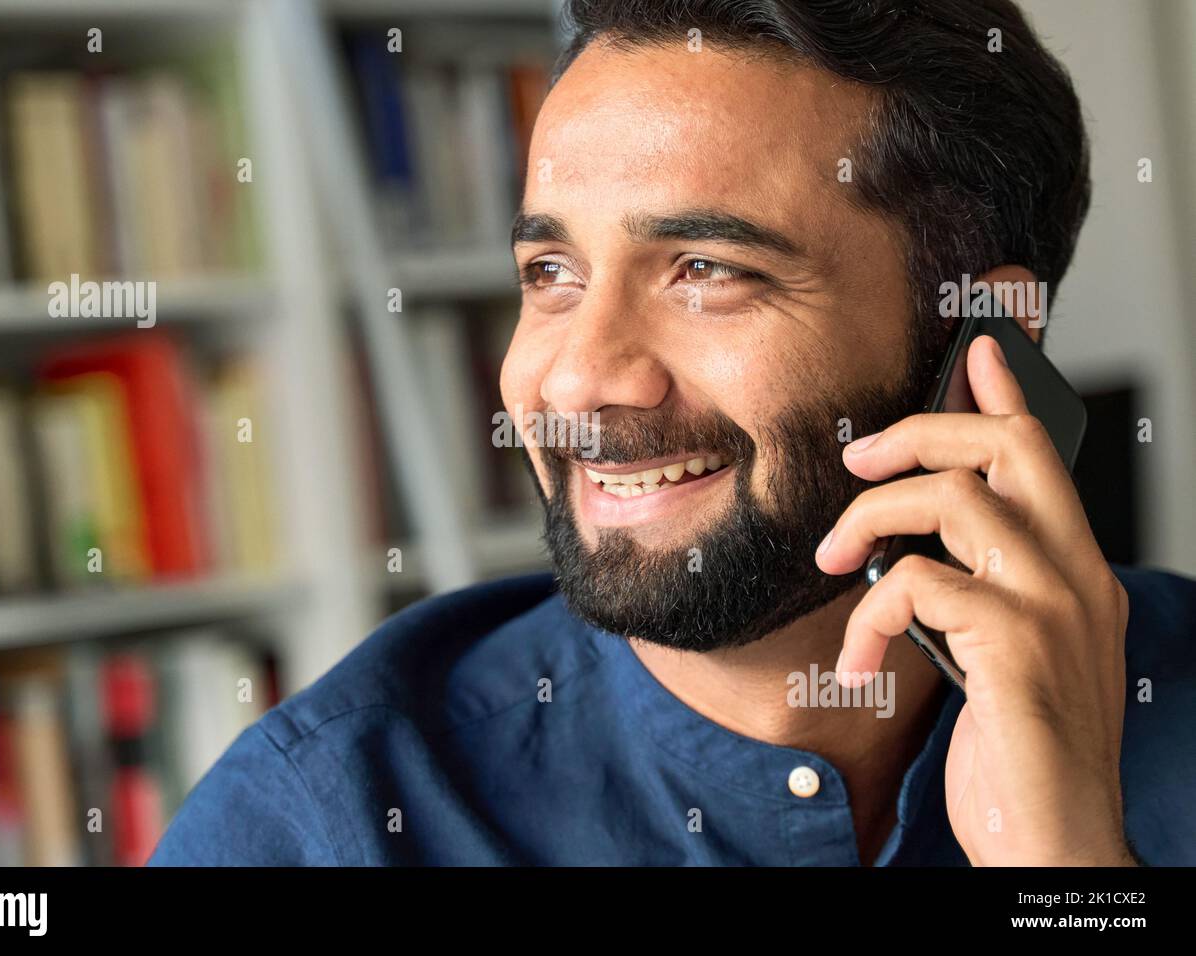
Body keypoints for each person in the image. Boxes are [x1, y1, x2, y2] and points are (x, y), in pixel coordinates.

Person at [149, 0, 1196, 866]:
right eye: (549, 274)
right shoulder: (319, 822)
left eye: (706, 270)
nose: (574, 375)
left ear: (986, 331)